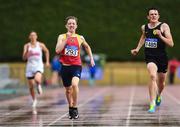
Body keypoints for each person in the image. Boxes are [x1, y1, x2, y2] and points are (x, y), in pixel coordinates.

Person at [131, 7, 174, 113]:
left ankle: (159, 95)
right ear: (148, 17)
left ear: (158, 16)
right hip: (150, 56)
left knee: (162, 82)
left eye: (155, 14)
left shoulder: (164, 26)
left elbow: (171, 43)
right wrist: (137, 48)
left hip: (162, 57)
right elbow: (143, 37)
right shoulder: (144, 27)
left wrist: (160, 35)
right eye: (151, 14)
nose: (153, 16)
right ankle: (152, 103)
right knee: (152, 76)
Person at [55, 16, 95, 119]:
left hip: (76, 66)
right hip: (65, 67)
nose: (71, 25)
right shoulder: (61, 36)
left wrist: (91, 58)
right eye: (69, 23)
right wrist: (67, 39)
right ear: (66, 26)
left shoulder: (80, 37)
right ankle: (70, 107)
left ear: (76, 26)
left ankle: (75, 107)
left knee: (74, 85)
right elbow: (58, 50)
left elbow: (87, 47)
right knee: (68, 90)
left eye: (73, 23)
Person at [22, 31, 50, 108]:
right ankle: (34, 100)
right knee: (31, 86)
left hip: (38, 65)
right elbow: (24, 58)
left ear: (36, 37)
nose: (33, 36)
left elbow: (47, 51)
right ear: (29, 37)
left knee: (37, 79)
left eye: (34, 35)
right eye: (31, 35)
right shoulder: (27, 46)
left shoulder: (40, 45)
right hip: (30, 67)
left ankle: (38, 84)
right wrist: (27, 51)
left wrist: (47, 61)